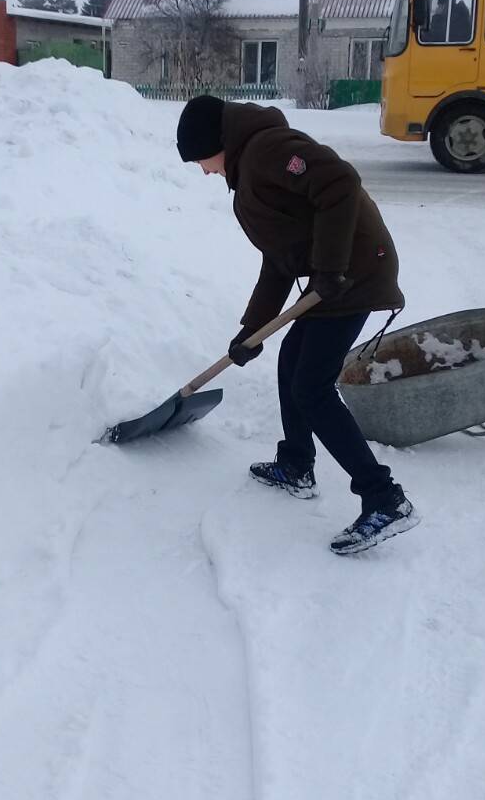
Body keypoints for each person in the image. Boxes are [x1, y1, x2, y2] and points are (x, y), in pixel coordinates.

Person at [176, 94, 419, 556]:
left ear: (216, 143)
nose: (205, 171)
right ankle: (296, 463)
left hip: (354, 274)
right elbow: (281, 259)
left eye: (201, 160)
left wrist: (328, 268)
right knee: (292, 362)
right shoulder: (250, 165)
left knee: (312, 387)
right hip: (332, 278)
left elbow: (339, 182)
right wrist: (252, 330)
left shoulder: (268, 149)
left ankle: (384, 499)